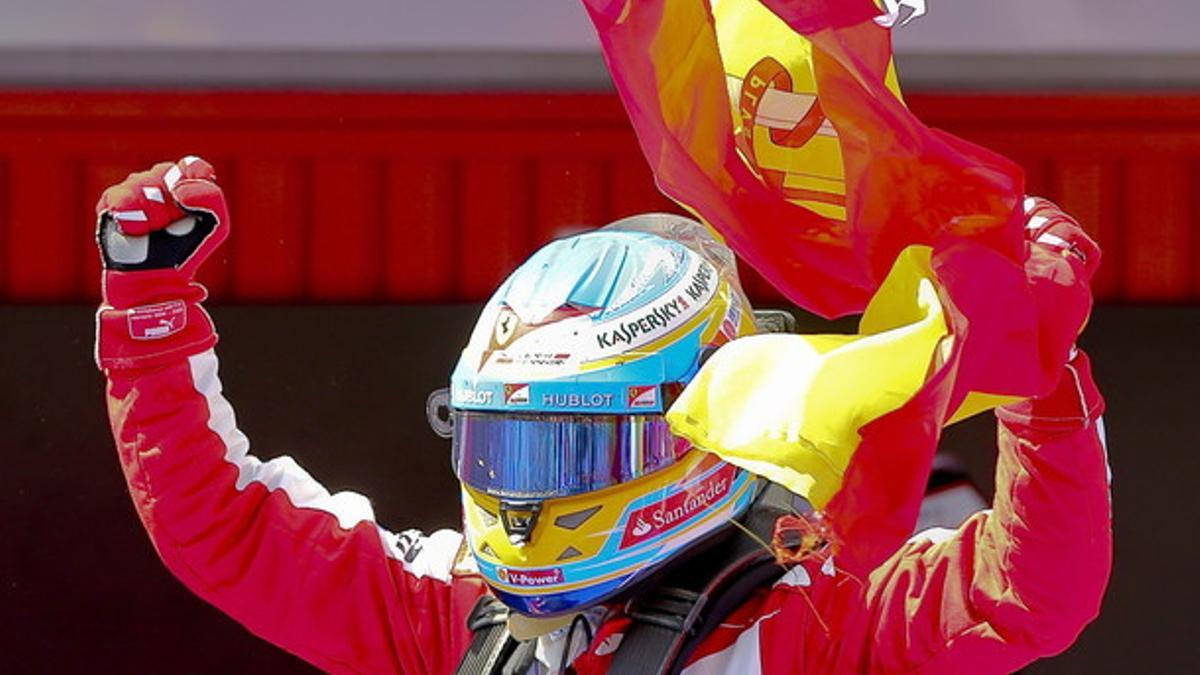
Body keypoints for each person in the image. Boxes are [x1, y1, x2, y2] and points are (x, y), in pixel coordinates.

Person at [97, 157, 1111, 674]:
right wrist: (147, 310)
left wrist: (1037, 368)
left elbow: (1023, 596)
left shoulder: (808, 624)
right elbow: (219, 528)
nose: (533, 491)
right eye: (508, 440)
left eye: (580, 443)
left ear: (699, 431)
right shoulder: (446, 614)